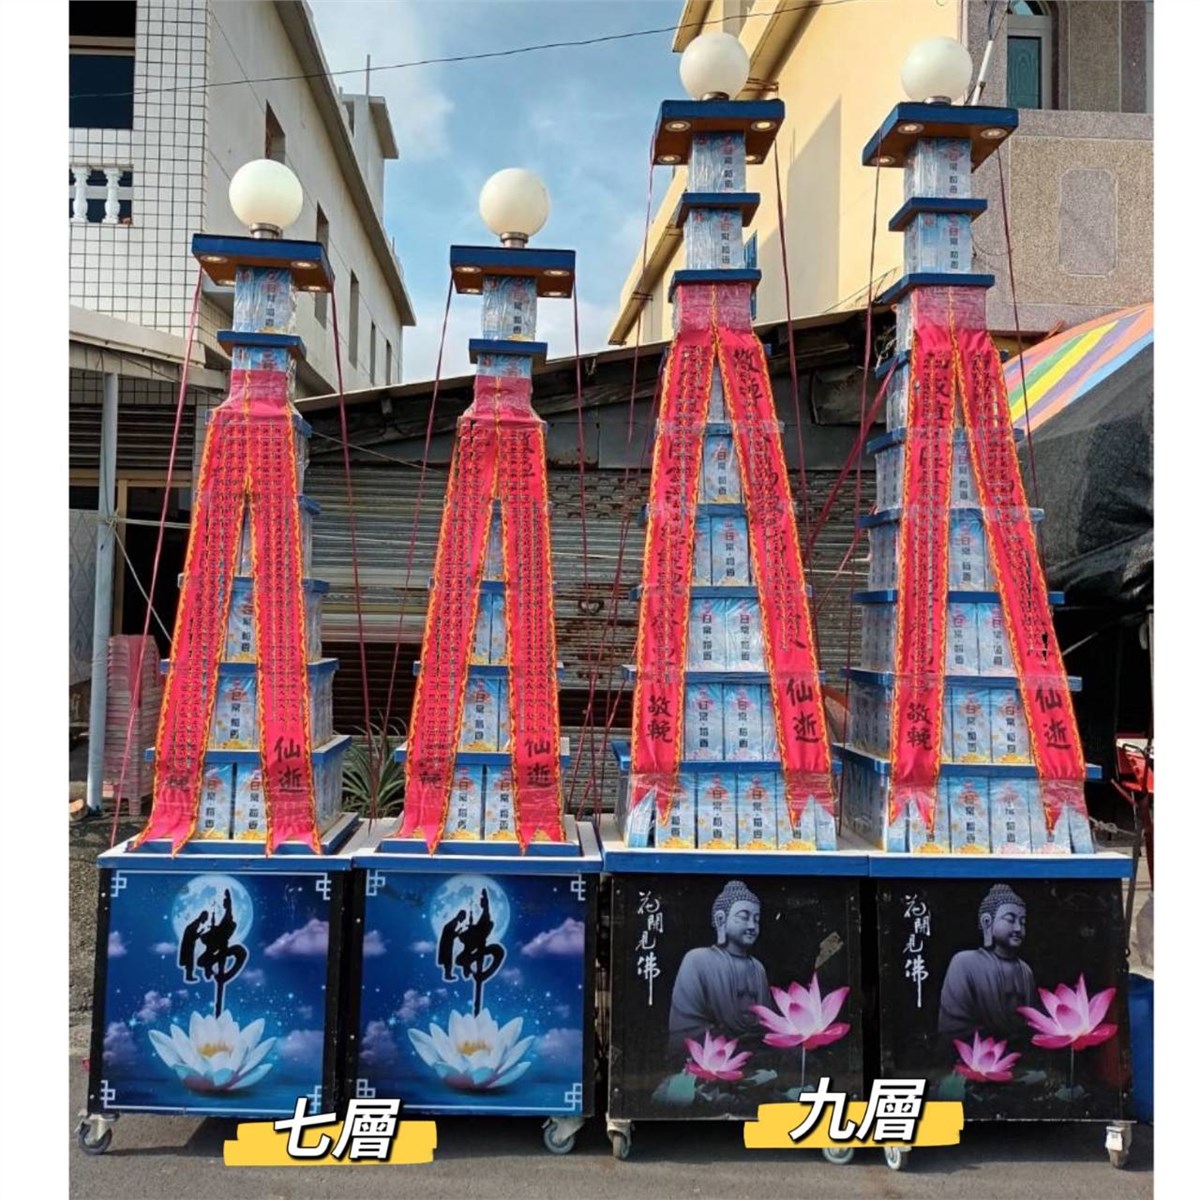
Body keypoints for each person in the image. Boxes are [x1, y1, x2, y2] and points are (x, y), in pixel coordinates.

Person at [667, 880, 771, 1058]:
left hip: (756, 1052)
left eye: (756, 919)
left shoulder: (758, 968)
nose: (752, 926)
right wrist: (733, 1044)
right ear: (721, 919)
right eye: (744, 917)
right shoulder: (698, 960)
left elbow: (767, 1024)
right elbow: (685, 1028)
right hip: (714, 1057)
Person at [937, 883, 1037, 1042]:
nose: (1018, 928)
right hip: (979, 1052)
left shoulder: (1025, 971)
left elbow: (1032, 1022)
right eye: (1010, 919)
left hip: (1021, 1050)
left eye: (1023, 922)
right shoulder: (964, 963)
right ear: (987, 922)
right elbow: (953, 1027)